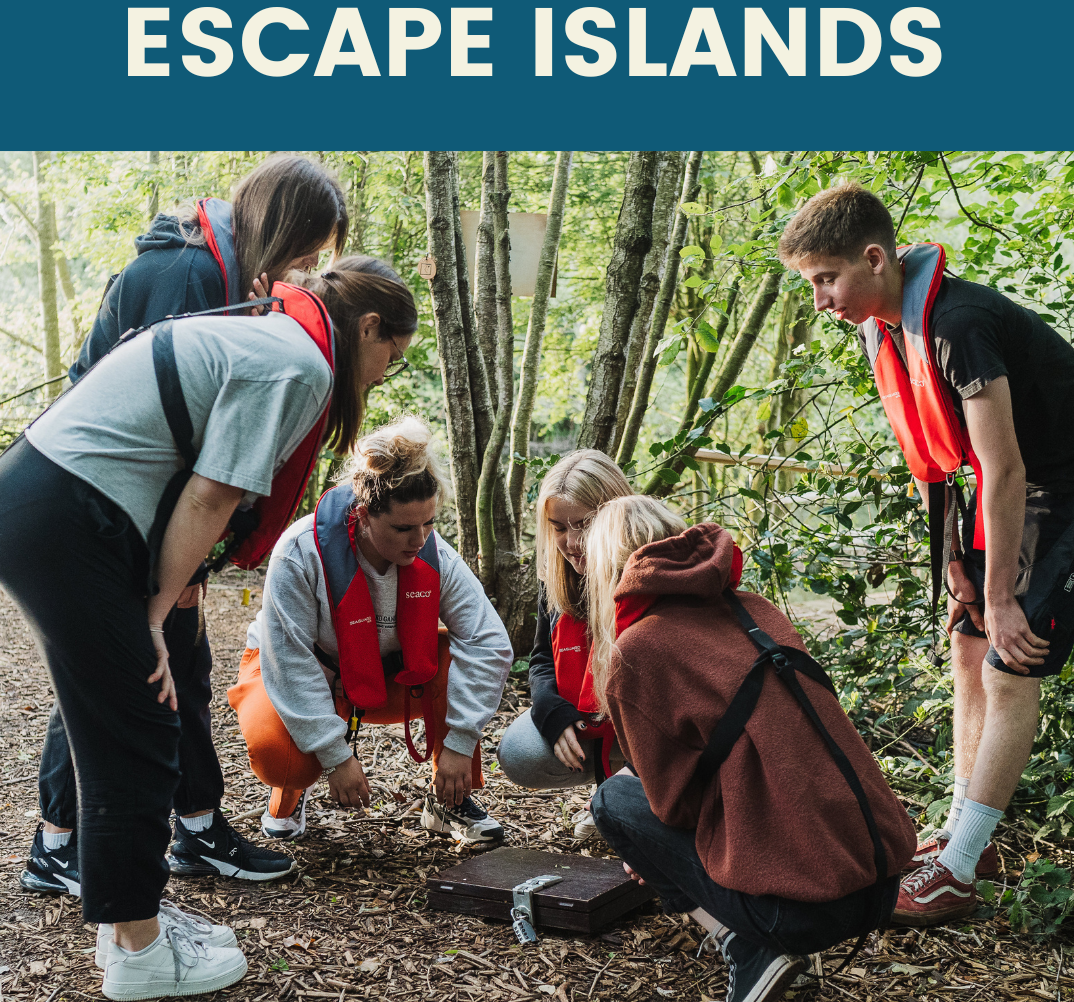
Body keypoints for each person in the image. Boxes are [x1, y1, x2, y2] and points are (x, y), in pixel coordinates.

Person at [0, 266, 416, 1000]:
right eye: (391, 358)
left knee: (119, 726)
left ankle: (125, 919)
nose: (381, 377)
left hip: (51, 502)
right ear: (370, 327)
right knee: (142, 727)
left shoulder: (274, 334)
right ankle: (139, 953)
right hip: (66, 514)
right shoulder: (300, 361)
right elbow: (216, 489)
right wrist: (155, 614)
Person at [25, 153, 351, 898]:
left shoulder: (226, 270)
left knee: (177, 670)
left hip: (138, 507)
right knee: (111, 672)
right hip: (102, 500)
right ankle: (60, 842)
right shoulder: (187, 277)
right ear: (275, 226)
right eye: (302, 254)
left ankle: (195, 825)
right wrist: (178, 574)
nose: (303, 274)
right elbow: (174, 435)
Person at [779, 183, 1074, 926]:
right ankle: (961, 835)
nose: (819, 300)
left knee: (1013, 660)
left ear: (875, 259)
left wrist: (1003, 594)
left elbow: (1004, 466)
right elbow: (934, 458)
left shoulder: (959, 322)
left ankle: (960, 869)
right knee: (968, 646)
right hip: (1003, 483)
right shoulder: (886, 327)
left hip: (1059, 482)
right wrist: (955, 565)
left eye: (826, 278)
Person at [585, 496, 917, 1002]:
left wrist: (650, 843)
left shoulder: (640, 648)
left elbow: (671, 809)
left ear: (609, 569)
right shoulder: (755, 608)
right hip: (880, 881)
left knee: (613, 802)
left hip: (796, 912)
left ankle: (745, 944)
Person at [228, 415, 512, 843]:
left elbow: (488, 641)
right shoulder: (299, 552)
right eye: (403, 528)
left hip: (384, 679)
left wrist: (461, 741)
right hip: (299, 674)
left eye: (429, 523)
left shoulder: (434, 553)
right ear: (363, 515)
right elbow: (287, 659)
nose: (420, 540)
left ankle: (449, 801)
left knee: (453, 652)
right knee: (285, 759)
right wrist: (335, 756)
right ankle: (289, 790)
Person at [497, 450, 631, 839]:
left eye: (585, 525)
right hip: (592, 717)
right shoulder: (556, 577)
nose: (571, 543)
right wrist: (549, 708)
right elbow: (541, 658)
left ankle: (632, 796)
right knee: (520, 751)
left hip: (650, 722)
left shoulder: (648, 569)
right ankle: (611, 791)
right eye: (558, 528)